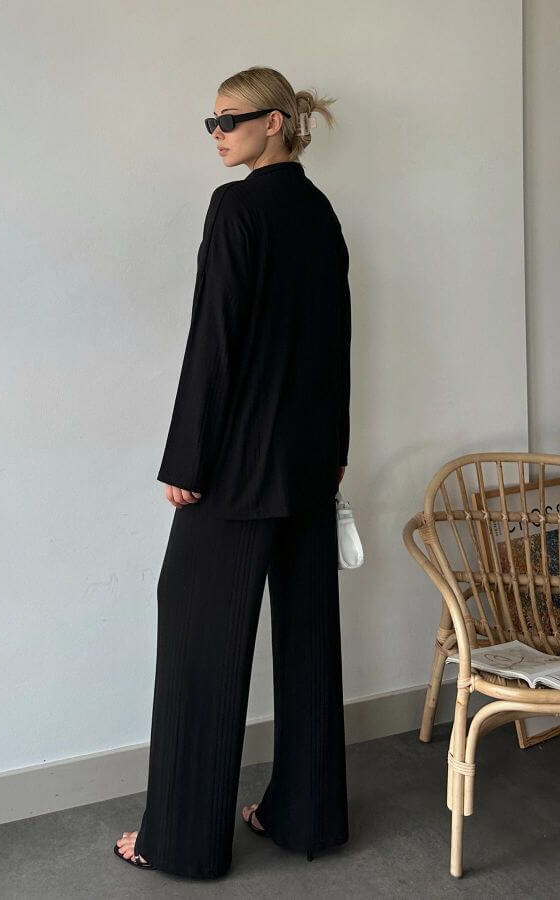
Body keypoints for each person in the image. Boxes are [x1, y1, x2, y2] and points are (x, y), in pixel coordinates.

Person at [114, 65, 352, 878]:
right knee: (309, 640)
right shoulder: (320, 212)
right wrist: (337, 446)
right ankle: (306, 816)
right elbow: (335, 340)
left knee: (195, 640)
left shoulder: (238, 207)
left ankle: (179, 840)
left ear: (274, 122)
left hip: (239, 468)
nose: (216, 134)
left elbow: (214, 338)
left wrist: (189, 460)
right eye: (211, 122)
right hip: (309, 464)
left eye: (229, 120)